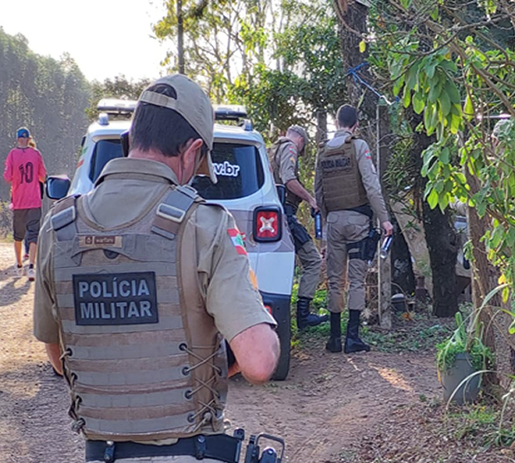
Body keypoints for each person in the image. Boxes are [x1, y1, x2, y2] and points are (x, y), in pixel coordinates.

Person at [32, 74, 280, 463]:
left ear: (130, 141)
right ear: (192, 150)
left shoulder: (59, 226)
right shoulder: (205, 225)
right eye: (199, 165)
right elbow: (260, 362)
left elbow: (57, 355)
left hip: (102, 453)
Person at [314, 105, 393, 354]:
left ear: (337, 122)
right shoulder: (359, 146)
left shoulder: (323, 152)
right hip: (358, 222)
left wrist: (326, 224)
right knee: (356, 280)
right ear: (355, 124)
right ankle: (353, 338)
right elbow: (371, 186)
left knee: (336, 280)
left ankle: (334, 339)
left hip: (334, 222)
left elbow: (319, 192)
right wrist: (384, 219)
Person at [271, 125, 328, 330]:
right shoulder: (290, 148)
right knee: (313, 260)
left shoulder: (273, 149)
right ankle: (303, 316)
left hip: (276, 216)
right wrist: (310, 199)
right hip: (286, 215)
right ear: (301, 141)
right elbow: (288, 179)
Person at [3, 127, 46, 281]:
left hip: (19, 201)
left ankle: (20, 264)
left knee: (18, 235)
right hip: (34, 200)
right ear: (29, 139)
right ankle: (31, 267)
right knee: (33, 234)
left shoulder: (12, 154)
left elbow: (7, 177)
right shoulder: (36, 154)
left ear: (17, 139)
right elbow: (42, 176)